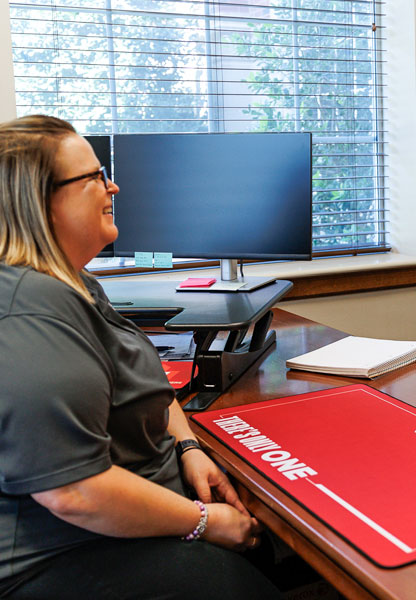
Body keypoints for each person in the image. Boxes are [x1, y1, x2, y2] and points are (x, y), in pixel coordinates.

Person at [0, 116, 281, 599]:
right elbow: (74, 493)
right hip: (65, 552)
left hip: (126, 510)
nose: (114, 185)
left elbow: (146, 379)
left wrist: (189, 447)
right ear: (41, 204)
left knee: (261, 546)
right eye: (93, 177)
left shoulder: (75, 282)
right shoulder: (28, 311)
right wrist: (203, 523)